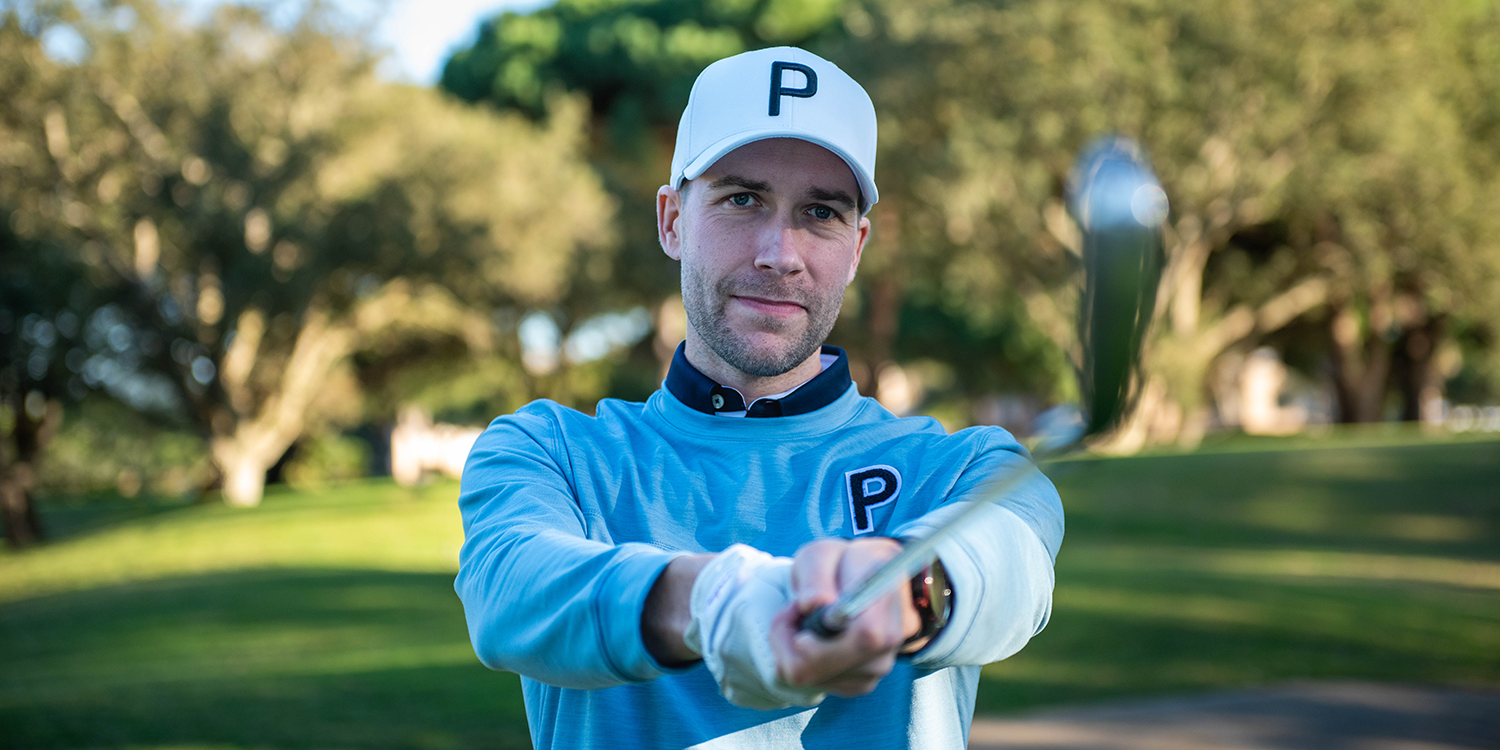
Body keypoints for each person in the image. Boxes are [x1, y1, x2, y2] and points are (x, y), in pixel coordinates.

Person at [456, 46, 1063, 749]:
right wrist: (714, 602)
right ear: (673, 220)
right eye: (742, 199)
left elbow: (1006, 569)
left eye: (821, 212)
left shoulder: (967, 467)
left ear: (857, 245)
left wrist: (901, 594)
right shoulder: (550, 452)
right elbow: (511, 589)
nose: (780, 251)